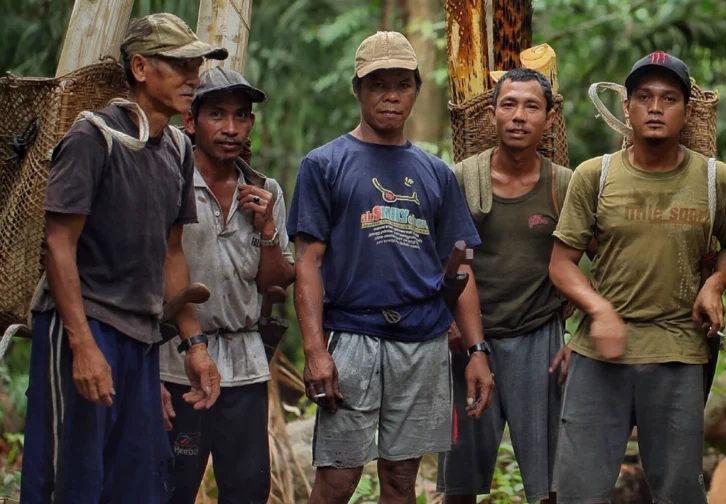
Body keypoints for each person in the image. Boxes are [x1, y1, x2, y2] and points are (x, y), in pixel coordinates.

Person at [19, 13, 225, 504]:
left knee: (137, 484)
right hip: (83, 328)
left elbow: (170, 253)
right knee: (69, 481)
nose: (192, 75)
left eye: (196, 63)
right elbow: (58, 245)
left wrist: (193, 345)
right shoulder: (94, 137)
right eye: (178, 63)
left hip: (141, 339)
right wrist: (84, 347)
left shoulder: (176, 149)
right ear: (139, 67)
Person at [286, 31, 494, 504]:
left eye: (402, 83)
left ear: (417, 89)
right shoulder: (324, 165)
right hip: (352, 337)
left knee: (401, 480)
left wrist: (477, 350)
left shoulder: (435, 172)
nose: (391, 95)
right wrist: (316, 351)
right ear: (357, 90)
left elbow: (459, 267)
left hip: (421, 341)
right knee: (338, 478)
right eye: (378, 84)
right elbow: (307, 264)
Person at [548, 51, 726, 503]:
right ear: (627, 107)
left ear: (688, 111)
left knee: (678, 491)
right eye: (644, 97)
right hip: (599, 356)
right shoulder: (594, 177)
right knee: (579, 490)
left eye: (668, 98)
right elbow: (561, 263)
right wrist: (598, 309)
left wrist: (714, 286)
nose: (655, 107)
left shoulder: (716, 179)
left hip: (678, 352)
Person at [158, 66, 295, 504]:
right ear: (191, 121)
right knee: (170, 487)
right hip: (176, 362)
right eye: (217, 114)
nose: (231, 128)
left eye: (241, 115)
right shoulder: (169, 181)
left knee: (248, 489)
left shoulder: (264, 189)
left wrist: (269, 226)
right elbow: (153, 270)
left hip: (245, 364)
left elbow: (276, 283)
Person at [436, 68, 572, 504]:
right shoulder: (459, 180)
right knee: (461, 480)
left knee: (549, 481)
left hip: (540, 340)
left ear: (549, 118)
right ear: (492, 113)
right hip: (470, 341)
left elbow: (599, 262)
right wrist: (449, 325)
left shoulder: (564, 186)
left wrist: (579, 337)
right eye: (509, 105)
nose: (519, 116)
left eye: (531, 106)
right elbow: (437, 259)